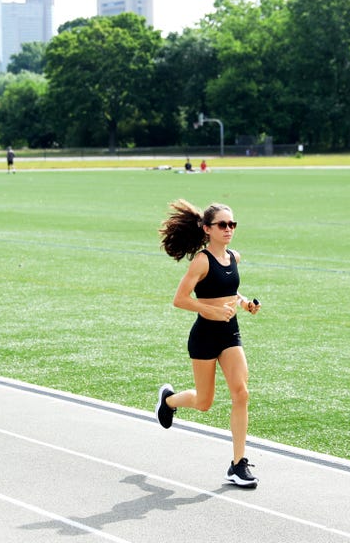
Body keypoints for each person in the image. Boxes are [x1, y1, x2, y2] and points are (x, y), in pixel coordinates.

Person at [156, 199, 261, 488]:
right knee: (204, 403)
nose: (229, 229)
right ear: (207, 229)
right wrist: (211, 310)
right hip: (204, 336)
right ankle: (168, 400)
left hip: (230, 335)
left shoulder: (234, 258)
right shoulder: (201, 261)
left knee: (241, 393)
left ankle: (238, 464)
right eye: (222, 224)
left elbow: (230, 289)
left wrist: (245, 302)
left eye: (232, 224)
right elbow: (180, 299)